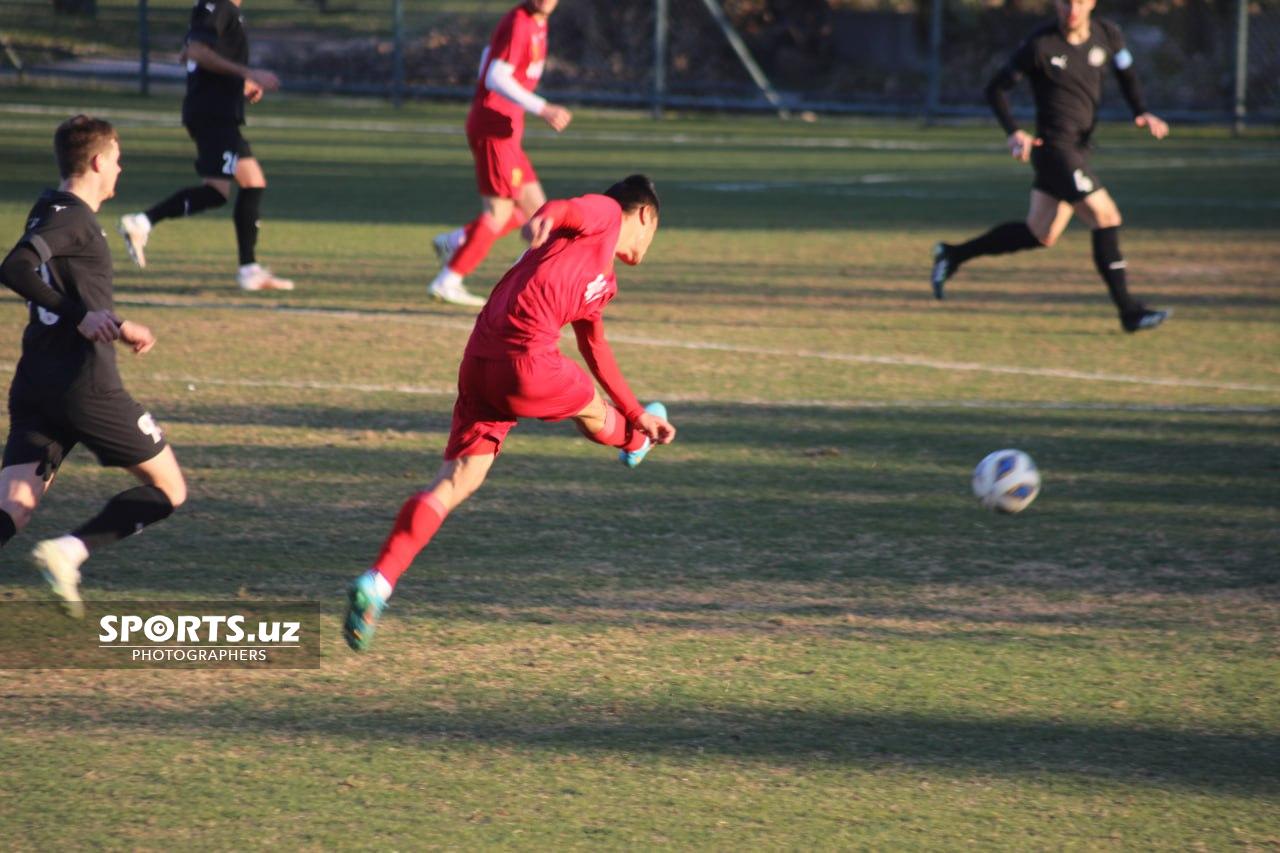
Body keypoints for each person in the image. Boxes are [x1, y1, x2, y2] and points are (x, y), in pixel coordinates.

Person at [344, 175, 675, 651]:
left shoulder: (602, 280)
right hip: (527, 360)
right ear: (644, 215)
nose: (649, 242)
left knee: (457, 480)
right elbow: (568, 208)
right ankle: (635, 441)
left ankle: (378, 581)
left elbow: (595, 346)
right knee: (588, 404)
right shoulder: (605, 215)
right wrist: (543, 217)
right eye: (655, 229)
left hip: (480, 361)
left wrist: (636, 408)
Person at [0, 116, 188, 618]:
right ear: (100, 161)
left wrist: (116, 324)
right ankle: (69, 552)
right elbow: (14, 268)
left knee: (13, 507)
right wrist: (83, 317)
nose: (121, 169)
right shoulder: (75, 219)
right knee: (170, 489)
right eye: (118, 159)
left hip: (36, 384)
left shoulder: (49, 208)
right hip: (85, 387)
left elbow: (65, 293)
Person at [930, 0, 1171, 333]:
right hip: (1055, 151)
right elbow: (996, 89)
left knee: (1041, 233)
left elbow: (1126, 74)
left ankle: (953, 254)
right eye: (1064, 2)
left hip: (1078, 149)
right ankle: (1129, 312)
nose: (1071, 9)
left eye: (1079, 2)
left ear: (1092, 3)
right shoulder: (1041, 45)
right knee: (1106, 217)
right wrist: (1014, 132)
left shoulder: (1108, 35)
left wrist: (1140, 110)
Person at [118, 0, 293, 292]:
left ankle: (249, 269)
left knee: (253, 182)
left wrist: (240, 83)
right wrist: (247, 73)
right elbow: (197, 52)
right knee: (216, 192)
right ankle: (142, 221)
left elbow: (191, 53)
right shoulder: (218, 5)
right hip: (213, 113)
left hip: (220, 112)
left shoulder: (224, 10)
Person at [427, 0, 574, 307]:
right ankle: (448, 280)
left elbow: (487, 57)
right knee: (499, 213)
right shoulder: (520, 23)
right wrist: (542, 108)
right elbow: (495, 75)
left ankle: (458, 241)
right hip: (495, 129)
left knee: (537, 214)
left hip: (506, 129)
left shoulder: (537, 22)